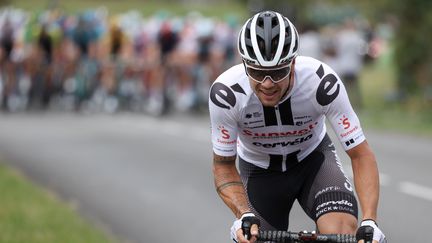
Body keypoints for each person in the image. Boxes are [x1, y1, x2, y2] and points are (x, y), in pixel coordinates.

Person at [208, 10, 386, 243]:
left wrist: (370, 220)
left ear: (293, 63)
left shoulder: (321, 82)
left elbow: (360, 154)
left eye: (278, 72)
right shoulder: (227, 93)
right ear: (244, 65)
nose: (268, 83)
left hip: (313, 162)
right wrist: (243, 214)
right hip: (260, 170)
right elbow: (223, 165)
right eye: (257, 72)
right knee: (252, 237)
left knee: (340, 231)